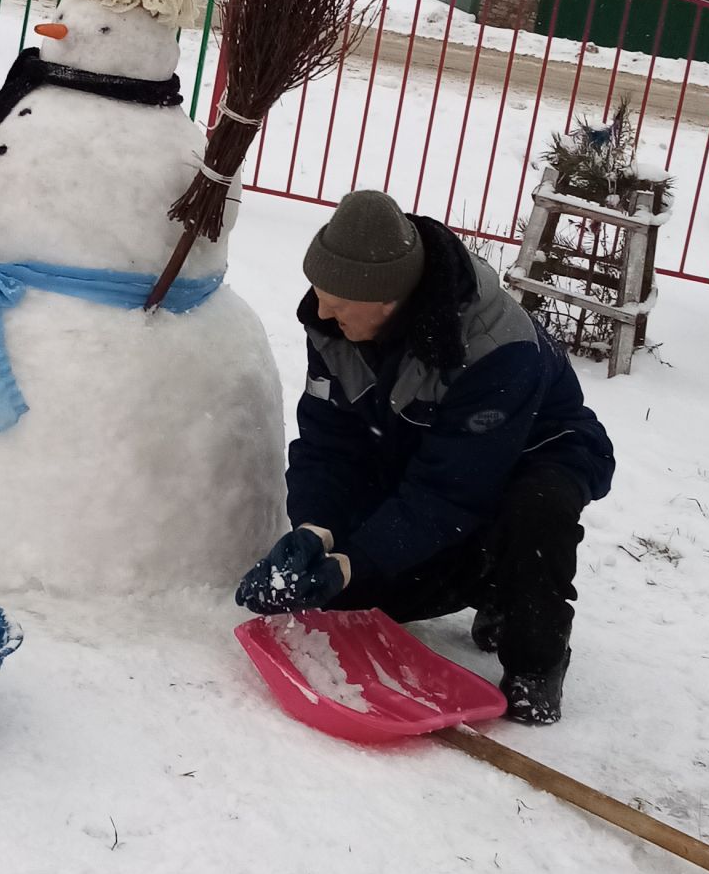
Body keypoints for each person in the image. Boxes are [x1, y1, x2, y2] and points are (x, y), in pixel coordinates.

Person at [234, 190, 615, 724]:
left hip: (534, 452)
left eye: (337, 303)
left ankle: (533, 654)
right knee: (364, 598)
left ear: (387, 299)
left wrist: (353, 563)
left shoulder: (495, 349)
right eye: (319, 294)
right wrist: (315, 532)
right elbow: (330, 442)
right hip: (423, 444)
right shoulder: (335, 322)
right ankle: (484, 574)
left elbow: (451, 492)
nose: (321, 311)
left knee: (534, 511)